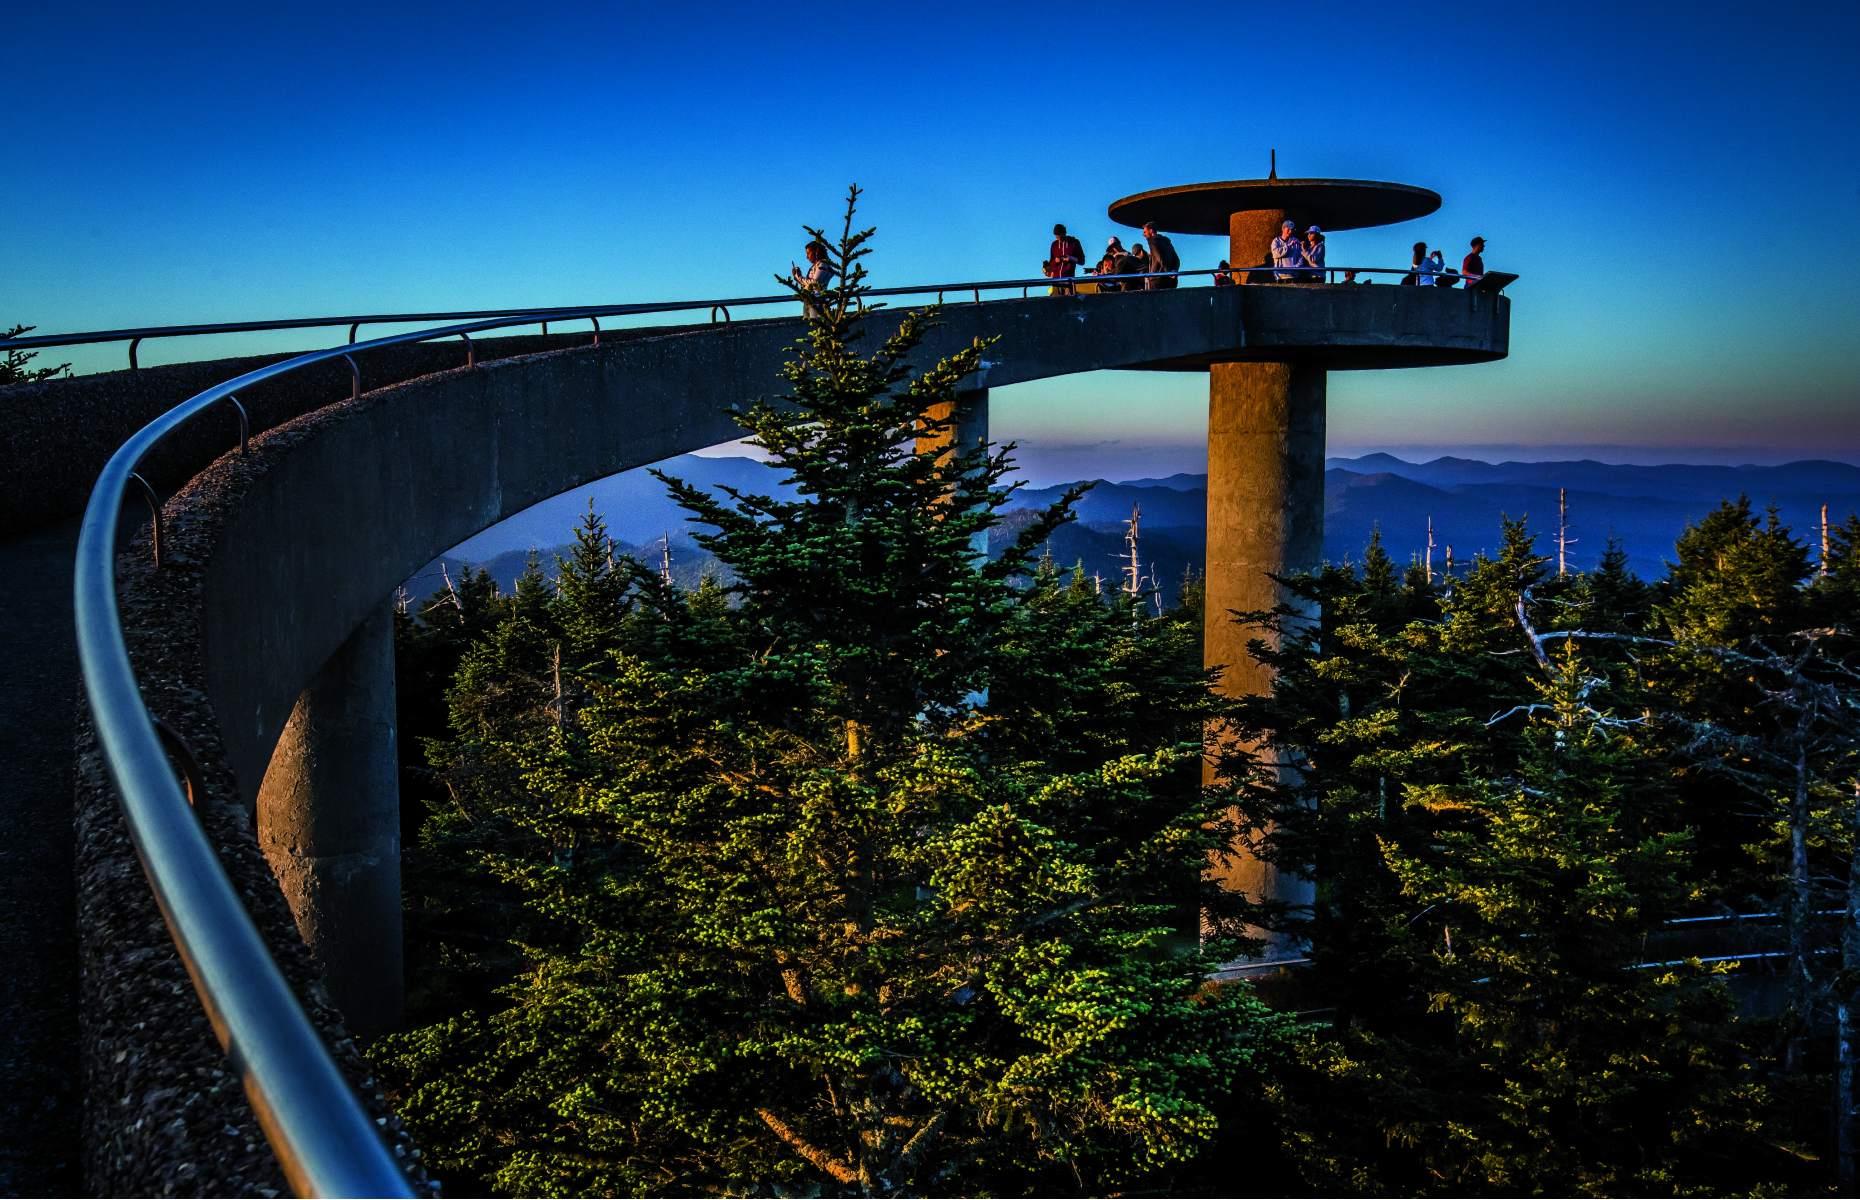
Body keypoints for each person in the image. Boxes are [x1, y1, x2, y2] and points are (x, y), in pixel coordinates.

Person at [790, 239, 834, 316]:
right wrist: (798, 277)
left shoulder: (823, 265)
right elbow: (808, 285)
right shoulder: (815, 266)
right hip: (809, 300)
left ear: (816, 252)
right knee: (808, 324)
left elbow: (814, 283)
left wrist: (799, 277)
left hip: (817, 301)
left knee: (815, 322)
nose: (807, 257)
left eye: (808, 253)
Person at [1045, 223, 1085, 295]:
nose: (1059, 239)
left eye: (1060, 236)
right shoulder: (1054, 245)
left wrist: (1071, 258)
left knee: (1069, 304)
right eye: (1056, 237)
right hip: (1056, 282)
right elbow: (1051, 262)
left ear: (1064, 233)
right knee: (1055, 304)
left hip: (1068, 282)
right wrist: (1054, 262)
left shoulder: (1074, 243)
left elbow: (1082, 261)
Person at [1142, 221, 1180, 289]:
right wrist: (1174, 271)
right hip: (1171, 280)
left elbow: (1159, 257)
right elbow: (1176, 259)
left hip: (1157, 279)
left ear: (1151, 231)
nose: (1143, 234)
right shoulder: (1166, 242)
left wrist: (1167, 271)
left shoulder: (1152, 240)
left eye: (1145, 232)